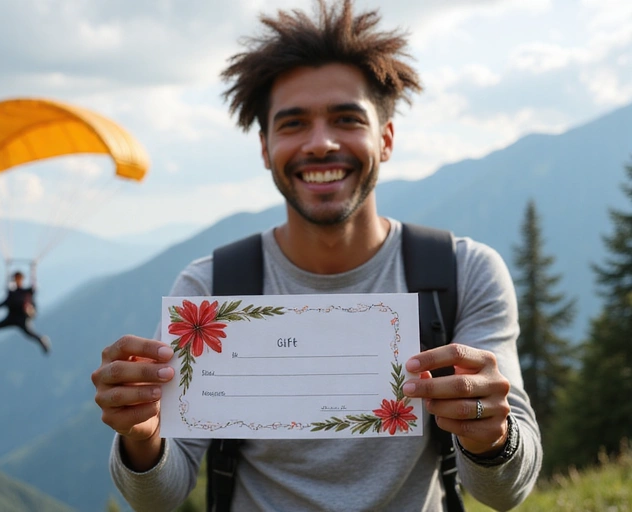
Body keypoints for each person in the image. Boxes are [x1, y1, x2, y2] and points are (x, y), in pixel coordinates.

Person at [91, 1, 542, 510]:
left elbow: (506, 494)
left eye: (347, 119)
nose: (321, 143)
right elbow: (158, 498)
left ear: (386, 138)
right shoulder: (208, 291)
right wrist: (143, 436)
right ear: (265, 148)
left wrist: (491, 436)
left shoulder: (463, 274)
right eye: (293, 124)